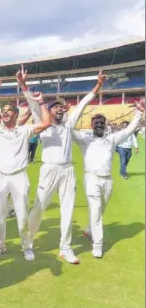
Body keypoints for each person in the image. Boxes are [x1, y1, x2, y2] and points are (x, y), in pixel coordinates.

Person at [25, 68, 107, 264]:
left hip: (68, 170)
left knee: (68, 210)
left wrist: (98, 85)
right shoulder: (43, 125)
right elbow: (34, 106)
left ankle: (65, 248)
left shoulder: (69, 125)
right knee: (39, 207)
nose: (60, 110)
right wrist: (24, 87)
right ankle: (28, 242)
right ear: (50, 111)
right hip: (49, 170)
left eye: (62, 108)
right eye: (56, 108)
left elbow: (84, 103)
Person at [0, 85, 52, 261]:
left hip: (19, 176)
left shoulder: (24, 130)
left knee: (22, 215)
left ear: (16, 114)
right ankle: (0, 245)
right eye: (4, 110)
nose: (5, 112)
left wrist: (41, 103)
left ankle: (27, 246)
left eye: (9, 110)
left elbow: (46, 123)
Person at [72, 100, 145, 258]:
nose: (99, 124)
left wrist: (139, 113)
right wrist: (67, 116)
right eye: (96, 122)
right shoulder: (84, 140)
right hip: (91, 178)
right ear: (91, 124)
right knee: (96, 209)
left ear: (105, 124)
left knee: (101, 208)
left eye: (101, 122)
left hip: (107, 180)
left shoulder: (111, 139)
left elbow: (129, 130)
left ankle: (90, 229)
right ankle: (97, 245)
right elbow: (70, 130)